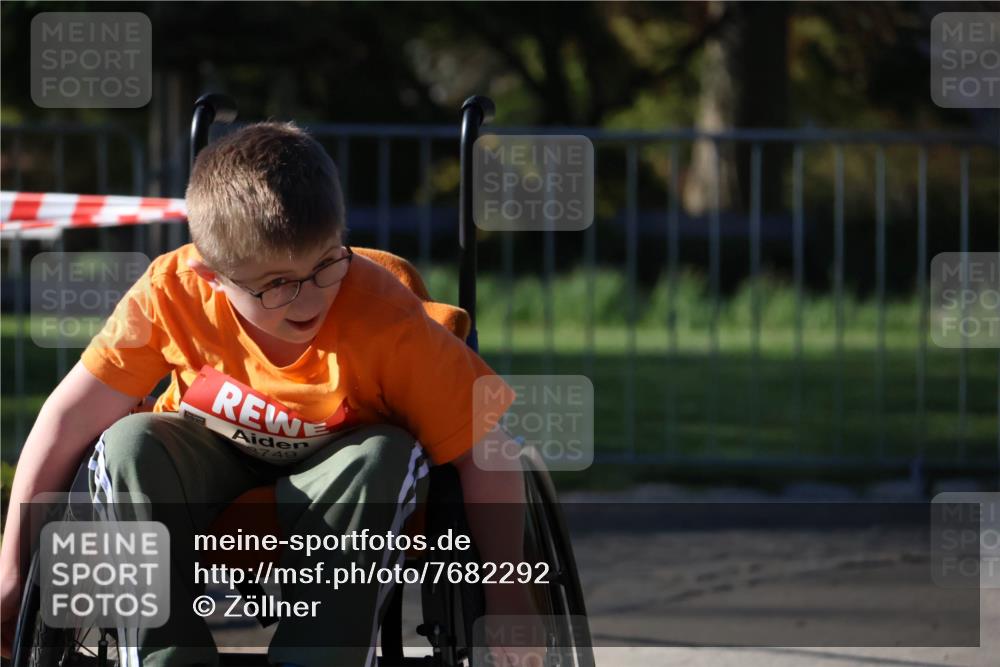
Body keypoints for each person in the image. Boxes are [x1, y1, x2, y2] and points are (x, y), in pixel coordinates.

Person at [0, 122, 539, 666]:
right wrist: (13, 576)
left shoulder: (385, 318)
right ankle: (168, 656)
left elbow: (488, 449)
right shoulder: (172, 294)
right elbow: (66, 419)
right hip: (207, 459)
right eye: (278, 283)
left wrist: (509, 598)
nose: (310, 298)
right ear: (210, 276)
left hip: (341, 476)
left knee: (383, 454)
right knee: (125, 443)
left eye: (327, 263)